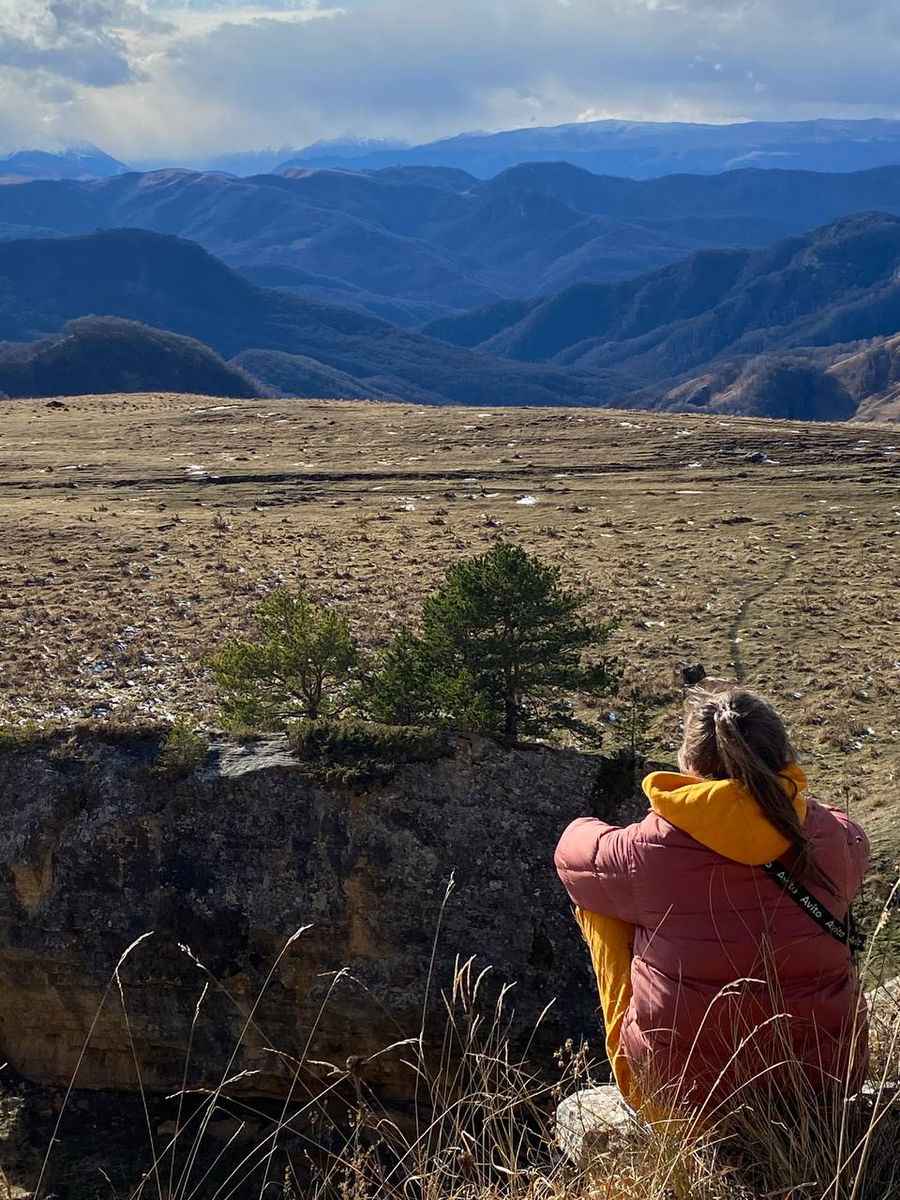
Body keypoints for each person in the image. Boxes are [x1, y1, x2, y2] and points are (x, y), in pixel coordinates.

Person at [554, 683, 869, 1117]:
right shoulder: (836, 839)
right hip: (827, 1079)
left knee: (601, 906)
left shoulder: (648, 850)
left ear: (688, 764)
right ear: (785, 758)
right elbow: (843, 823)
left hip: (684, 1096)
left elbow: (571, 854)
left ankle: (644, 1091)